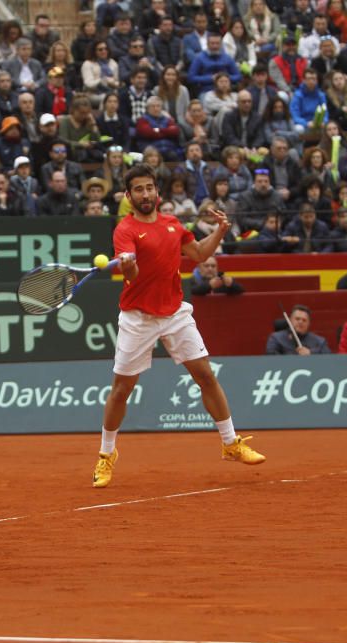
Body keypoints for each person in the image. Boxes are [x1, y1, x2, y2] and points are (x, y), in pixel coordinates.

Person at [91, 164, 265, 489]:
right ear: (128, 197)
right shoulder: (125, 230)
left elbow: (198, 253)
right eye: (139, 190)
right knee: (121, 390)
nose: (146, 194)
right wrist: (128, 266)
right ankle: (106, 455)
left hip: (174, 313)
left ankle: (231, 443)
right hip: (138, 317)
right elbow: (131, 275)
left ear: (157, 192)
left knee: (206, 376)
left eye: (150, 188)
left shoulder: (172, 224)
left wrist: (220, 232)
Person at [265, 305, 331, 355]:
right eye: (297, 319)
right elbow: (270, 356)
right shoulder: (276, 338)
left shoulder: (319, 341)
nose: (300, 322)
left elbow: (328, 358)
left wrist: (310, 353)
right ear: (290, 320)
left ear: (309, 324)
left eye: (304, 320)